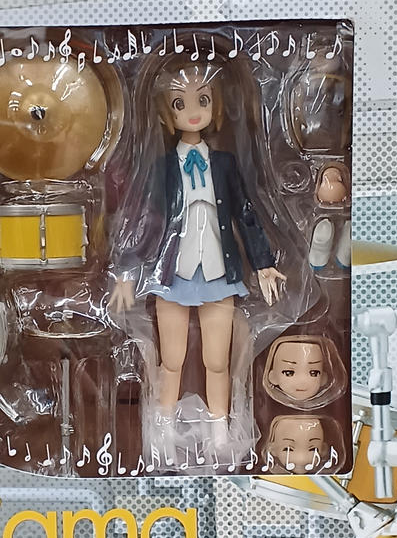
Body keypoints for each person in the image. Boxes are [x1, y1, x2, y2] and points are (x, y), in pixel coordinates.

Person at [108, 58, 286, 456]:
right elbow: (145, 219)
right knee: (171, 360)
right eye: (179, 103)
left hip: (219, 272)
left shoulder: (224, 164)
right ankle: (163, 428)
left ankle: (220, 429)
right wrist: (126, 269)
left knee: (217, 361)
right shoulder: (161, 167)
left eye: (202, 100)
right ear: (166, 114)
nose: (192, 111)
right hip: (173, 273)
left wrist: (263, 263)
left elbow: (245, 213)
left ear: (214, 105)